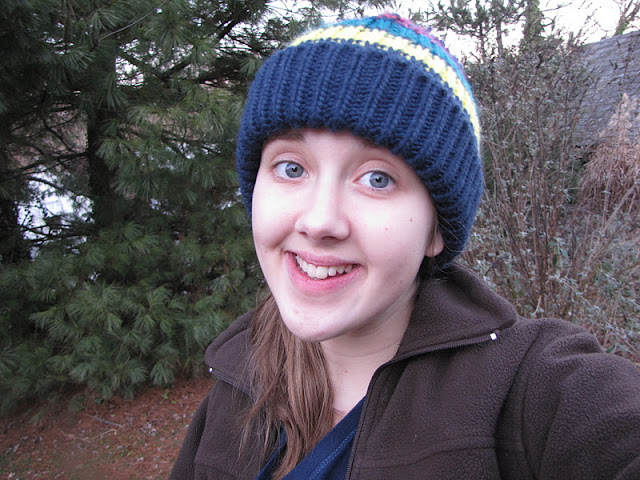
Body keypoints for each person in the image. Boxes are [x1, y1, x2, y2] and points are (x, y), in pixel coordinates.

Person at [170, 13, 640, 480]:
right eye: (291, 168)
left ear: (436, 230)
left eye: (377, 178)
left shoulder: (531, 391)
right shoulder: (235, 384)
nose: (319, 221)